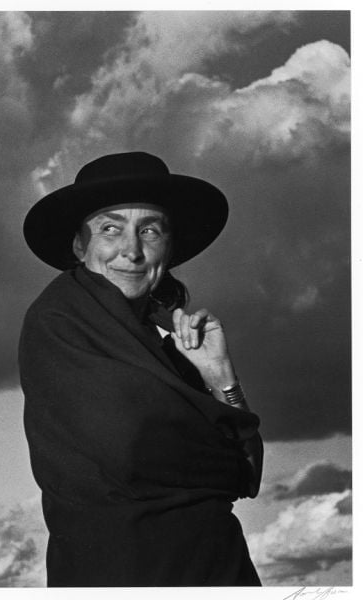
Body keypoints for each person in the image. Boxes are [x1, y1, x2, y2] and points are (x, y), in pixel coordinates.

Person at [19, 151, 263, 586]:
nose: (131, 251)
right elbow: (134, 451)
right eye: (110, 229)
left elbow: (249, 473)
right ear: (80, 245)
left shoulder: (165, 339)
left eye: (149, 230)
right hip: (123, 573)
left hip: (217, 567)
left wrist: (220, 377)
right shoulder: (61, 321)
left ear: (169, 247)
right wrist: (225, 454)